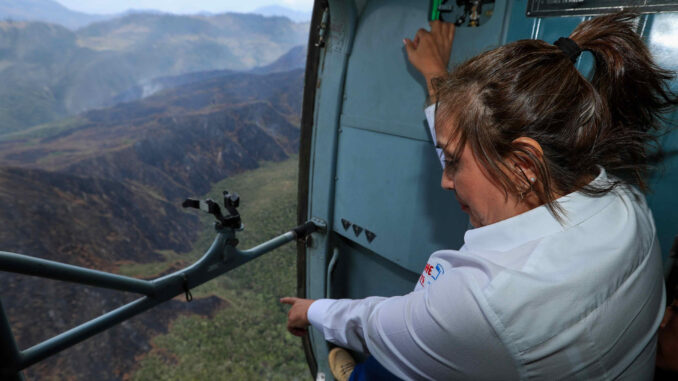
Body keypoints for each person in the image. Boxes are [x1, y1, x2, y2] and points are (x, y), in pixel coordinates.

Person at [282, 11, 678, 380]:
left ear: (523, 167)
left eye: (453, 163)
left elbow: (379, 323)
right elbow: (476, 145)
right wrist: (436, 73)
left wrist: (313, 310)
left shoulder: (486, 304)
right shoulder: (627, 203)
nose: (445, 180)